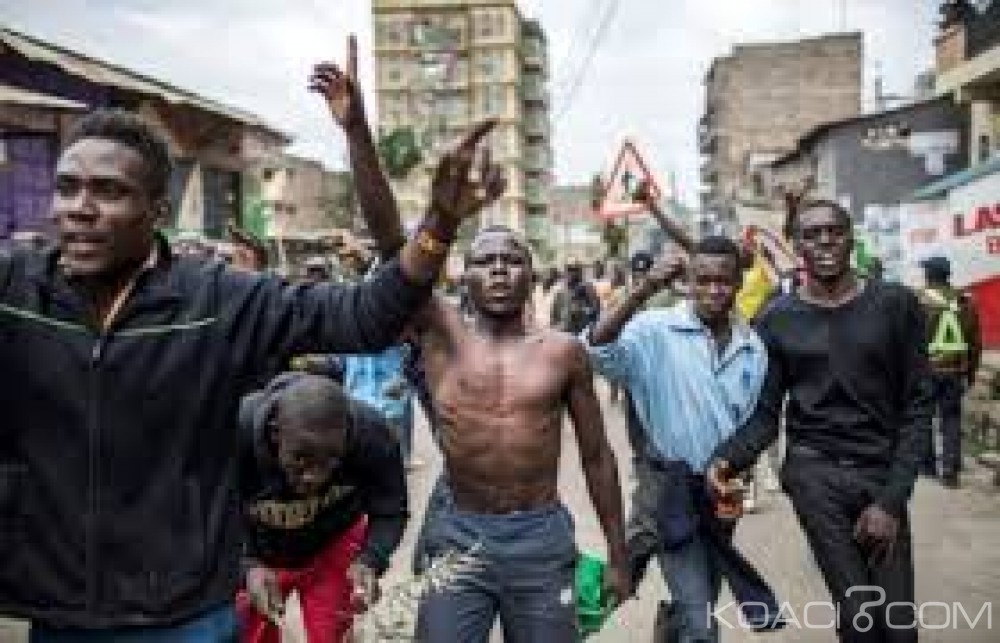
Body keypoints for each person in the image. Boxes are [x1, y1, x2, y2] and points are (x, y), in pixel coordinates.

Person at [0, 104, 494, 640]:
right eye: (67, 188)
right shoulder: (15, 293)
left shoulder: (218, 301)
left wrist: (440, 224)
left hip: (189, 616)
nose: (80, 208)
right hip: (60, 617)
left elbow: (368, 314)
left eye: (108, 191)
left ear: (158, 210)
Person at [313, 49, 628, 640]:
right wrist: (357, 130)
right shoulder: (439, 332)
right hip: (459, 536)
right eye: (487, 262)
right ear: (467, 276)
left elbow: (596, 457)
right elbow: (389, 240)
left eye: (515, 260)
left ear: (533, 276)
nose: (502, 270)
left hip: (540, 537)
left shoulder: (563, 352)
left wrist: (616, 551)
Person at [707, 199, 934, 643]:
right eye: (812, 234)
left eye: (835, 231)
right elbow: (766, 415)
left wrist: (890, 502)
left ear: (851, 239)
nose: (825, 241)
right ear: (798, 247)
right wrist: (726, 459)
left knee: (900, 629)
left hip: (880, 470)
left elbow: (918, 406)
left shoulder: (895, 305)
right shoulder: (777, 319)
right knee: (859, 618)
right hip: (815, 476)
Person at [585, 237, 782, 642]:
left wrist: (732, 476)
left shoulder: (753, 350)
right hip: (667, 492)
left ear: (740, 282)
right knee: (699, 620)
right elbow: (597, 349)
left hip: (718, 498)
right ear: (689, 281)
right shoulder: (655, 330)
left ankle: (668, 628)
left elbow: (753, 426)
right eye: (704, 280)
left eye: (724, 281)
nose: (714, 291)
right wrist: (642, 290)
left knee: (701, 596)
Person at [236, 373, 406, 643]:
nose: (314, 476)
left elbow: (390, 510)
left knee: (333, 635)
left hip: (334, 542)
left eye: (331, 458)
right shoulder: (236, 432)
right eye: (300, 458)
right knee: (249, 635)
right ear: (274, 431)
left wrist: (371, 559)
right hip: (256, 547)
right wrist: (245, 565)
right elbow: (203, 514)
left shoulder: (372, 435)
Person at [917, 256, 981, 488]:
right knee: (951, 420)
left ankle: (927, 466)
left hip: (925, 371)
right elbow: (975, 342)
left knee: (923, 417)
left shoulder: (918, 300)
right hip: (953, 370)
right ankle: (951, 472)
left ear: (930, 275)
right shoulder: (964, 301)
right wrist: (971, 372)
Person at [550, 260, 601, 334]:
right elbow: (554, 318)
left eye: (575, 270)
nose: (572, 273)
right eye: (569, 270)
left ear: (580, 272)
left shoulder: (588, 288)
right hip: (563, 333)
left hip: (582, 332)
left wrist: (582, 310)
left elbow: (596, 311)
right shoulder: (560, 293)